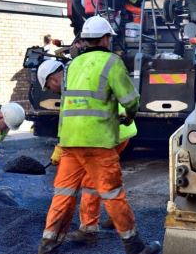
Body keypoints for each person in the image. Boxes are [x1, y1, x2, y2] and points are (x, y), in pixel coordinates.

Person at [35, 15, 160, 254]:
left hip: (70, 141)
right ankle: (134, 248)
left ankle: (47, 253)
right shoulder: (111, 62)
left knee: (63, 196)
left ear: (84, 40)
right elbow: (130, 99)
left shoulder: (70, 67)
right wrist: (130, 113)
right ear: (105, 39)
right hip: (98, 141)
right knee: (112, 193)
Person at [37, 59, 137, 244]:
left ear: (53, 78)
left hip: (108, 133)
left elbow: (73, 121)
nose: (51, 91)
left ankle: (89, 229)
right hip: (113, 131)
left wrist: (63, 146)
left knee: (91, 181)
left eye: (48, 86)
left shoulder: (71, 86)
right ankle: (115, 218)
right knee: (100, 181)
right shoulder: (79, 77)